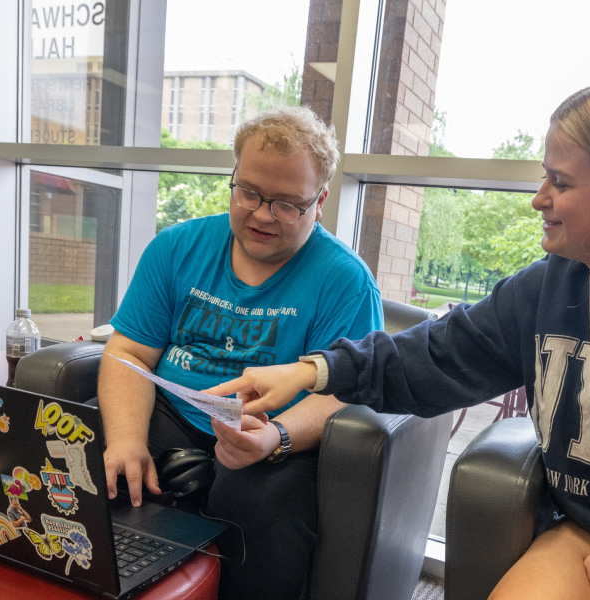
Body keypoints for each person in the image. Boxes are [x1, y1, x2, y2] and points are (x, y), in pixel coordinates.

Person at [204, 76, 590, 600]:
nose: (539, 199)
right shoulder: (546, 291)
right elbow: (434, 356)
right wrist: (312, 372)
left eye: (560, 182)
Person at [97, 105, 383, 599]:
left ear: (320, 202)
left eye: (287, 204)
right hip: (173, 408)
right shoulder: (176, 248)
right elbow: (130, 353)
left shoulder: (346, 280)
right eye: (248, 192)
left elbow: (341, 393)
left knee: (259, 501)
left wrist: (277, 437)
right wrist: (125, 439)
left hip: (273, 430)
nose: (261, 214)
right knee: (91, 458)